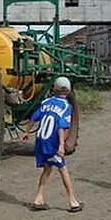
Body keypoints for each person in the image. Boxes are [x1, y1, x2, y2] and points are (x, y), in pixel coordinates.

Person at [30, 76, 83, 212]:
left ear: (54, 88)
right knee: (63, 170)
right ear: (69, 90)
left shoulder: (46, 101)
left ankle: (38, 198)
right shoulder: (66, 106)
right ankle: (73, 201)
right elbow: (62, 126)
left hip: (41, 141)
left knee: (47, 168)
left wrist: (26, 131)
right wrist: (61, 145)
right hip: (53, 143)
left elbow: (34, 117)